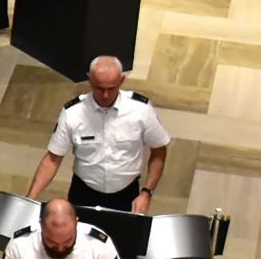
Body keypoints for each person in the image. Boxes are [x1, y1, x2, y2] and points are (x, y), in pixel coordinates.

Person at [26, 55, 170, 214]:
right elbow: (53, 159)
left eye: (111, 88)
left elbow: (159, 149)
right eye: (100, 88)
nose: (106, 95)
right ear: (89, 80)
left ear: (122, 80)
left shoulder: (141, 110)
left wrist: (146, 193)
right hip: (84, 192)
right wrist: (29, 200)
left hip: (126, 193)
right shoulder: (73, 113)